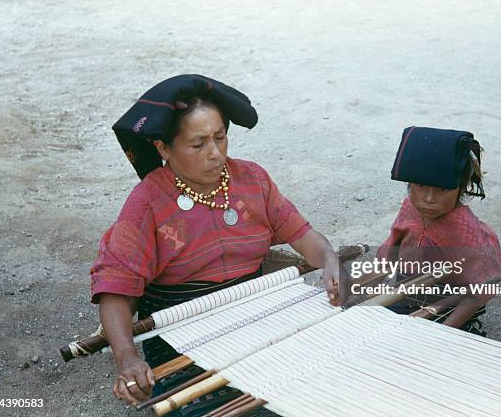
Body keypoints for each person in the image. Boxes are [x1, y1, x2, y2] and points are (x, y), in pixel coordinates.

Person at [89, 75, 341, 414]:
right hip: (181, 332)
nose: (215, 154)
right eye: (198, 144)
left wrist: (329, 261)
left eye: (220, 138)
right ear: (163, 147)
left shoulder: (252, 179)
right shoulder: (148, 202)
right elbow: (116, 289)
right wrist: (127, 356)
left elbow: (304, 235)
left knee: (323, 382)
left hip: (257, 308)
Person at [377, 126, 501, 333]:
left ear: (460, 188)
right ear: (409, 183)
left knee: (414, 343)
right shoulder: (409, 208)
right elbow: (390, 254)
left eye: (442, 189)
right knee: (369, 322)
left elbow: (479, 290)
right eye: (420, 186)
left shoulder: (463, 231)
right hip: (409, 288)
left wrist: (443, 332)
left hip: (448, 302)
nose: (428, 199)